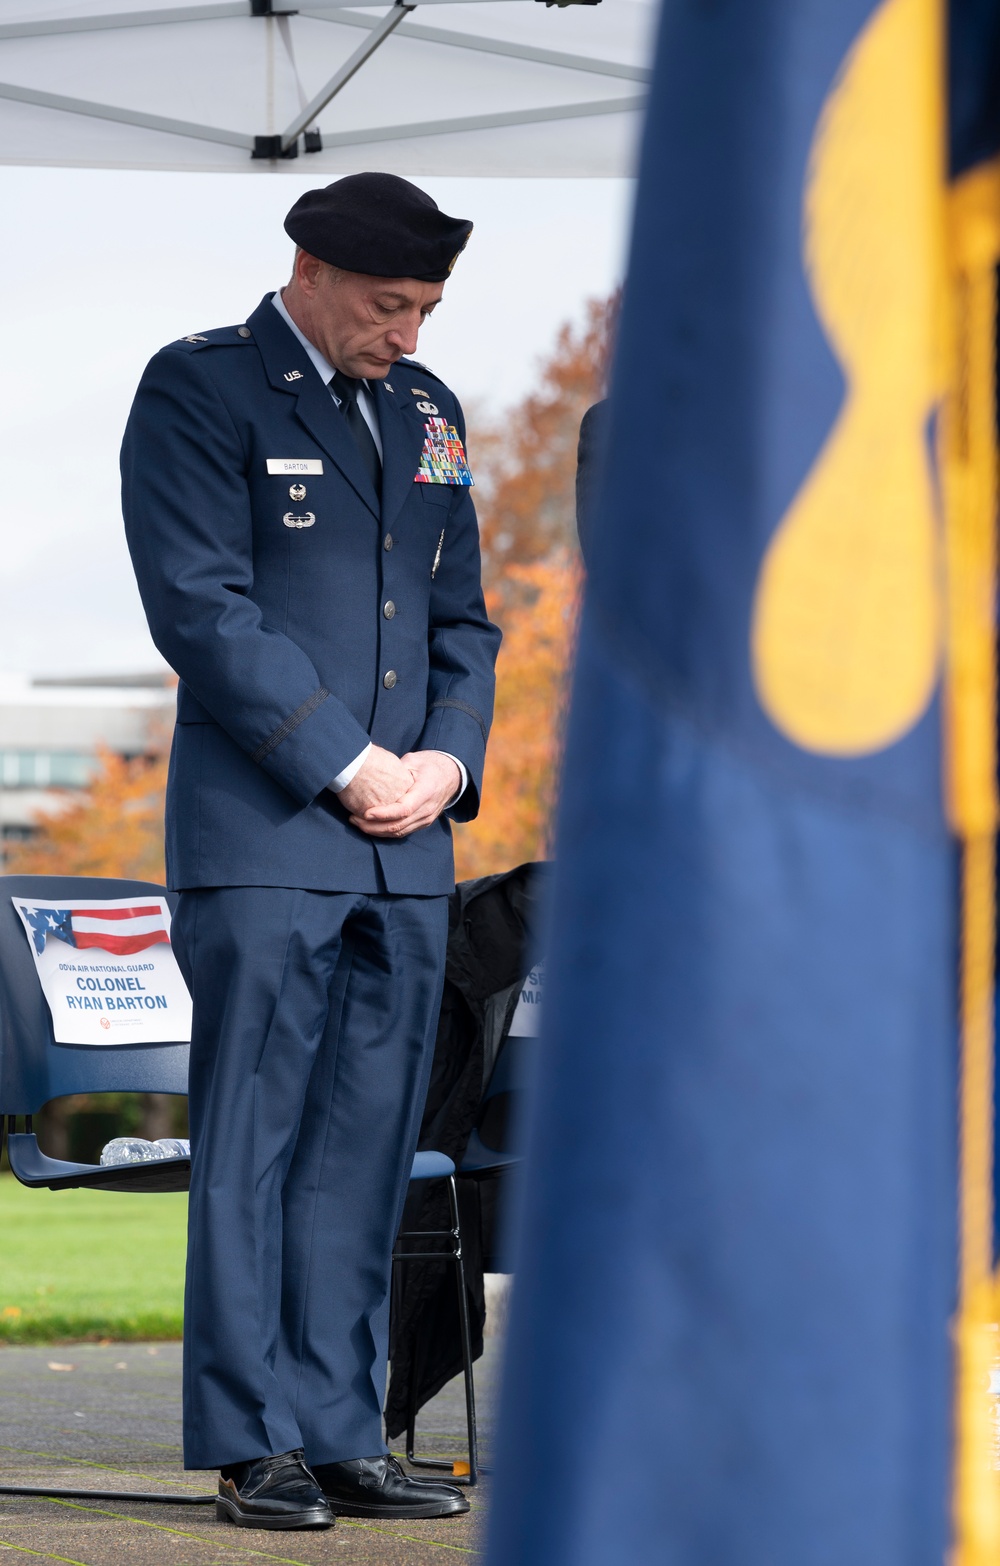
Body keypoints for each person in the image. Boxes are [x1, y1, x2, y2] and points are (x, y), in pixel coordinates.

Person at [121, 173, 501, 1532]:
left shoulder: (430, 411)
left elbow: (466, 617)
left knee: (365, 1149)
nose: (408, 332)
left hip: (406, 850)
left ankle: (342, 1424)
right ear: (312, 268)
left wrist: (448, 760)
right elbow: (202, 609)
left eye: (428, 309)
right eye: (390, 305)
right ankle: (249, 1433)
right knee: (256, 1141)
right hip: (272, 834)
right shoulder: (199, 389)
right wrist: (350, 760)